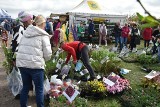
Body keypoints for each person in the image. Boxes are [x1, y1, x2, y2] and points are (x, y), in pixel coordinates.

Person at [16, 13, 52, 107]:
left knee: (26, 87)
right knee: (39, 89)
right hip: (36, 66)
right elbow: (48, 54)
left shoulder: (26, 32)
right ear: (43, 24)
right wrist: (44, 59)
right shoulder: (43, 35)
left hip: (23, 64)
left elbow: (21, 48)